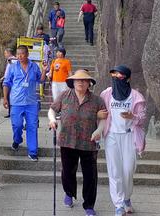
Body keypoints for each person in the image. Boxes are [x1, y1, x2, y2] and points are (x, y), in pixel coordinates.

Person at [48, 70, 106, 216]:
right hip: (67, 140)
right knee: (67, 171)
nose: (81, 82)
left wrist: (99, 130)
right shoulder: (65, 96)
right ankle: (69, 193)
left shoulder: (97, 100)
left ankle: (89, 205)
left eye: (84, 80)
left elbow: (104, 118)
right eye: (78, 80)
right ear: (72, 82)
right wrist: (52, 120)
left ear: (89, 83)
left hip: (89, 142)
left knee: (90, 175)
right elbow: (52, 110)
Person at [96, 65, 147, 216]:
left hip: (129, 135)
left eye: (120, 76)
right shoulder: (107, 93)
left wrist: (133, 117)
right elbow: (100, 112)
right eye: (114, 76)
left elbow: (142, 119)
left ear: (128, 78)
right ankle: (118, 204)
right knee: (114, 171)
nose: (117, 79)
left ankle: (127, 197)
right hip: (111, 135)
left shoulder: (136, 96)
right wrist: (99, 118)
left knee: (128, 170)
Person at [2, 45, 49, 161]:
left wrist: (44, 70)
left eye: (22, 54)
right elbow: (6, 83)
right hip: (16, 101)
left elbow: (41, 80)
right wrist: (5, 98)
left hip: (31, 102)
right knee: (17, 125)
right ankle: (17, 140)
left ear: (27, 54)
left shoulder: (34, 67)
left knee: (32, 126)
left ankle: (33, 151)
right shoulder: (12, 67)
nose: (20, 56)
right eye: (18, 54)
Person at [0, 47, 18, 118]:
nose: (5, 55)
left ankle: (11, 112)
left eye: (5, 53)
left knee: (10, 97)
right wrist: (3, 77)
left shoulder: (13, 60)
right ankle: (10, 112)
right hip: (7, 79)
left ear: (8, 53)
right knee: (7, 96)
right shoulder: (9, 60)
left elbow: (12, 71)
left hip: (11, 81)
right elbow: (7, 71)